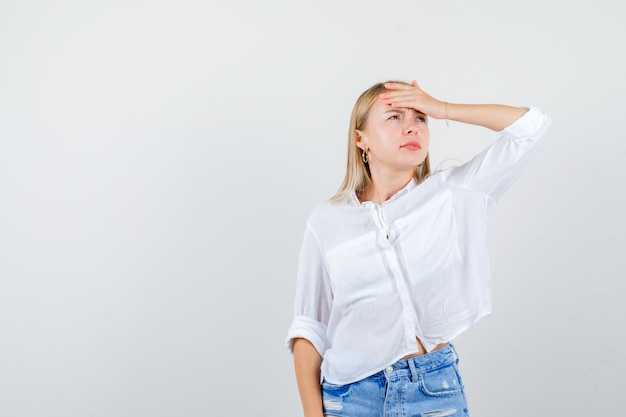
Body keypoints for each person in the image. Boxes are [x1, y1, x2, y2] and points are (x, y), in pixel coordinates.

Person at [285, 80, 551, 417]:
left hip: (433, 390)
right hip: (349, 397)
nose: (412, 126)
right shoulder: (326, 221)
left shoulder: (454, 193)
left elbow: (532, 127)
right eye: (394, 117)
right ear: (360, 139)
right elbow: (309, 327)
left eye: (420, 118)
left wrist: (443, 109)